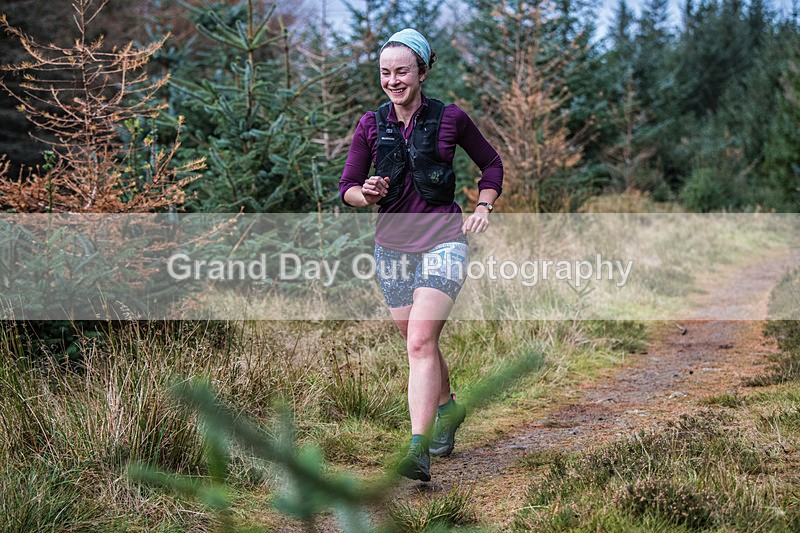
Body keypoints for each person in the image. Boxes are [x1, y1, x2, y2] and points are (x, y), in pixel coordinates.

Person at [339, 28, 503, 482]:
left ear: (423, 72)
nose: (393, 80)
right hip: (391, 248)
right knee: (419, 343)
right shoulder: (371, 125)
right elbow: (347, 188)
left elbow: (491, 163)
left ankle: (418, 448)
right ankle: (449, 409)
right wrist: (365, 194)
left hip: (444, 240)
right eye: (385, 73)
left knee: (418, 342)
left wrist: (483, 205)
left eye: (402, 72)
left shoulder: (451, 118)